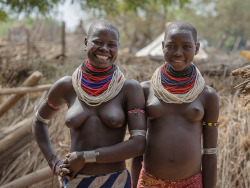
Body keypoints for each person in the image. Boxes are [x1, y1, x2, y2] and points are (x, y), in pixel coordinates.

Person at [32, 19, 147, 188]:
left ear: (117, 48)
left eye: (111, 45)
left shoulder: (128, 89)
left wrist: (86, 157)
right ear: (86, 43)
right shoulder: (67, 86)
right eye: (98, 42)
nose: (104, 49)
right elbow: (39, 121)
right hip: (75, 181)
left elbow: (139, 144)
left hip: (115, 181)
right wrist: (53, 163)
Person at [132, 21, 219, 188]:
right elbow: (137, 149)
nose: (178, 53)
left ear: (197, 48)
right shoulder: (144, 90)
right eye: (171, 46)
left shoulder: (207, 96)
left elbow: (210, 154)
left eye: (186, 46)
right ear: (163, 46)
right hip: (149, 181)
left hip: (191, 183)